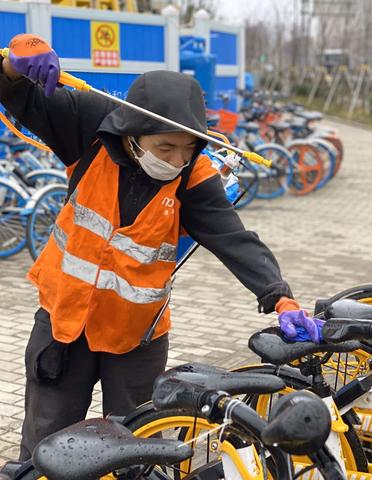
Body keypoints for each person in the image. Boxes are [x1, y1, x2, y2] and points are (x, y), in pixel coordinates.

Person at [0, 33, 323, 460]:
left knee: (138, 452)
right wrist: (14, 63)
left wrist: (279, 296)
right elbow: (17, 92)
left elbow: (232, 237)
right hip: (64, 325)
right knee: (45, 447)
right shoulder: (90, 127)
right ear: (133, 134)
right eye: (164, 148)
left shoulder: (193, 177)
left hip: (136, 337)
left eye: (186, 150)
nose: (174, 161)